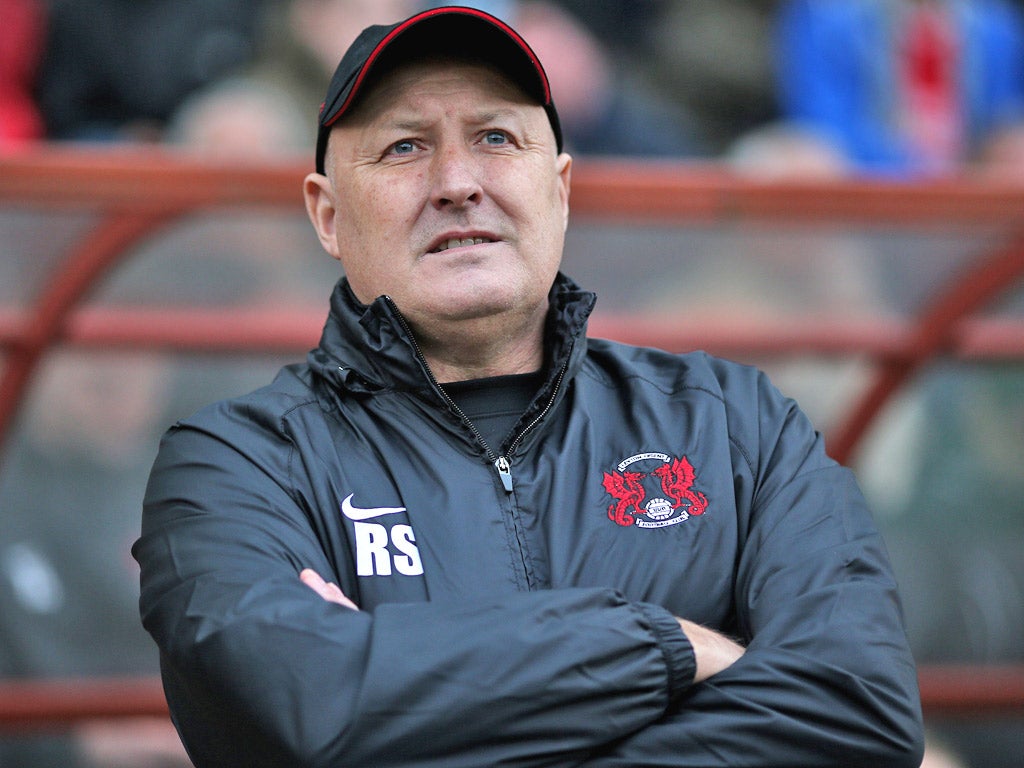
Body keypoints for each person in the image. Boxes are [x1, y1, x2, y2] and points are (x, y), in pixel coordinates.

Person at [134, 7, 925, 767]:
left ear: (562, 188)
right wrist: (668, 648)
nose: (455, 182)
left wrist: (410, 690)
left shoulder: (736, 426)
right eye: (405, 147)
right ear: (328, 214)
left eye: (495, 137)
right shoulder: (238, 465)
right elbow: (305, 706)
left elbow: (861, 713)